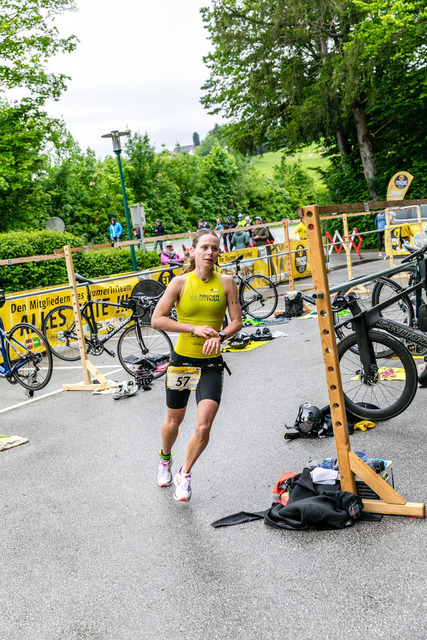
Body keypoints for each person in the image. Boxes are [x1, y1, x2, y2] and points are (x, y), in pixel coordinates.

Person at [151, 229, 243, 502]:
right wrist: (193, 328)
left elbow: (237, 322)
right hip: (182, 362)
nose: (210, 252)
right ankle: (165, 459)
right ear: (193, 251)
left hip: (211, 364)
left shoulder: (227, 282)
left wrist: (221, 335)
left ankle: (185, 473)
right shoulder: (180, 283)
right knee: (173, 423)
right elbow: (157, 319)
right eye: (204, 247)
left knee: (203, 427)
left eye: (214, 248)